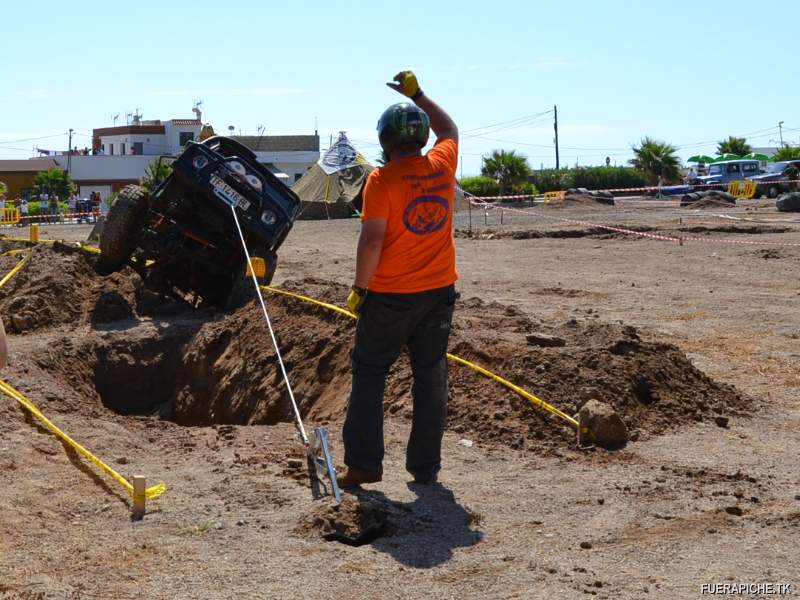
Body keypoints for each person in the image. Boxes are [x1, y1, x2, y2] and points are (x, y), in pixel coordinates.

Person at [337, 71, 459, 488]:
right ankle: (425, 469)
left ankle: (364, 465)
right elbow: (450, 128)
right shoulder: (442, 165)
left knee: (370, 373)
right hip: (439, 294)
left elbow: (372, 241)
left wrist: (360, 289)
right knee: (431, 376)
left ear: (386, 140)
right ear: (420, 137)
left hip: (390, 296)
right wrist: (420, 95)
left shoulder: (381, 180)